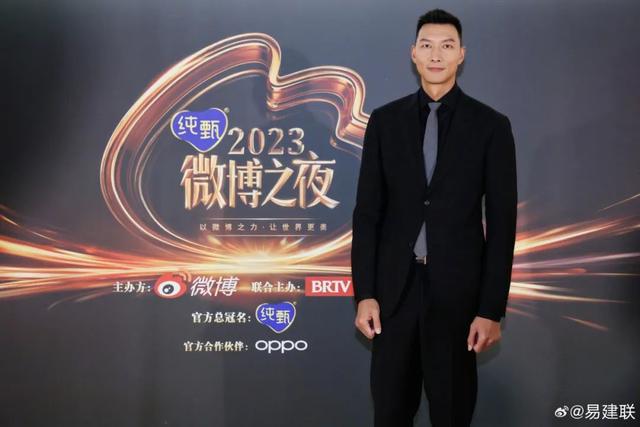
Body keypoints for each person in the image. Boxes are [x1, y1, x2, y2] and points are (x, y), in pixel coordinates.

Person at [351, 8, 518, 427]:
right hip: (393, 296)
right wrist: (365, 293)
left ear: (462, 54)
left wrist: (490, 309)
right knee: (390, 412)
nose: (436, 55)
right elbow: (367, 215)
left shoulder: (491, 126)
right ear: (414, 53)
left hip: (458, 299)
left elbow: (502, 226)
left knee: (452, 413)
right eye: (427, 45)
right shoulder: (384, 122)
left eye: (447, 46)